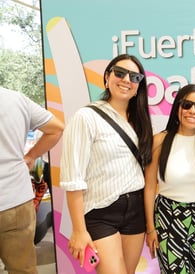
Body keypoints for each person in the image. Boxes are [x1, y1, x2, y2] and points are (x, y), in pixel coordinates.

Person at [60, 53, 153, 274]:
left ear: (139, 85)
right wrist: (79, 231)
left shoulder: (140, 122)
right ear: (107, 77)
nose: (126, 80)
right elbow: (73, 179)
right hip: (101, 212)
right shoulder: (86, 117)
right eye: (120, 73)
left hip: (135, 211)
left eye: (135, 77)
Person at [144, 84, 195, 274]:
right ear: (177, 107)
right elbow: (150, 187)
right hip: (168, 217)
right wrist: (150, 229)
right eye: (187, 105)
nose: (192, 111)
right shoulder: (160, 140)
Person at [0, 86, 64, 274]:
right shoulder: (15, 99)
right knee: (23, 269)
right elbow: (56, 128)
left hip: (16, 199)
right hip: (16, 200)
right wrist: (31, 156)